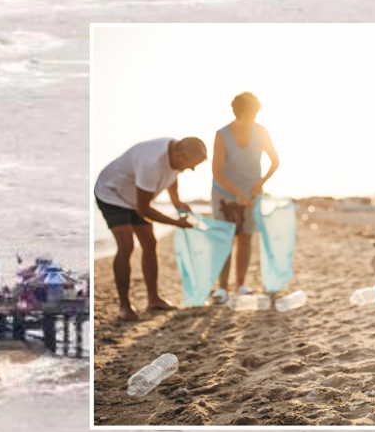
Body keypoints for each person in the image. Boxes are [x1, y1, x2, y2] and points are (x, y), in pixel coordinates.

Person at [95, 137, 207, 321]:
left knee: (150, 243)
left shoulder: (175, 153)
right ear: (179, 155)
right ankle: (125, 307)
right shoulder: (150, 162)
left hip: (135, 198)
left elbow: (172, 175)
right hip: (111, 193)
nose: (192, 169)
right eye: (192, 164)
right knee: (126, 246)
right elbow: (144, 209)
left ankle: (154, 299)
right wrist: (176, 223)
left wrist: (176, 200)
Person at [208, 92, 279, 303]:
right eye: (250, 115)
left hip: (252, 193)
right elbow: (217, 172)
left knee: (245, 236)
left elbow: (275, 161)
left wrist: (261, 182)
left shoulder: (261, 131)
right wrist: (238, 193)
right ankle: (222, 288)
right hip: (224, 193)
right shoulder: (222, 135)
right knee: (225, 238)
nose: (253, 119)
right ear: (238, 113)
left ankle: (240, 285)